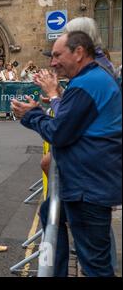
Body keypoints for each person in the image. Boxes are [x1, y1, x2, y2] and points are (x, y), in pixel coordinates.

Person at [11, 31, 122, 277]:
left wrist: (31, 115)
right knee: (49, 210)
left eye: (58, 55)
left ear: (79, 52)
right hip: (87, 182)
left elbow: (60, 132)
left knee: (96, 266)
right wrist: (42, 109)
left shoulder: (87, 84)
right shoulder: (91, 79)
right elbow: (69, 121)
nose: (52, 62)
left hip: (88, 187)